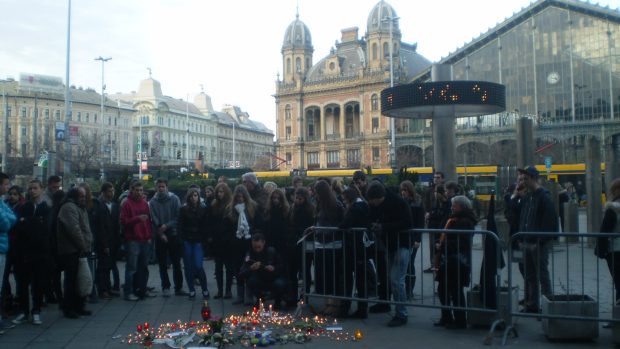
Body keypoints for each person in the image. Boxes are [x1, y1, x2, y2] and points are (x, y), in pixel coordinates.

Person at [511, 166, 558, 313]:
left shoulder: (544, 197)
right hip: (526, 241)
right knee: (530, 275)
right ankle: (532, 304)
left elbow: (550, 222)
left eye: (526, 179)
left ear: (533, 178)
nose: (522, 182)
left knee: (542, 275)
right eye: (522, 179)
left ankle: (548, 305)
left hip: (538, 244)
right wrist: (515, 195)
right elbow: (516, 213)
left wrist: (540, 242)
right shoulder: (527, 196)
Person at [366, 180, 413, 327]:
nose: (372, 203)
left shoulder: (398, 202)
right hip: (392, 244)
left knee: (396, 280)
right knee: (395, 280)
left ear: (379, 197)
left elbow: (407, 222)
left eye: (373, 201)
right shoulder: (383, 203)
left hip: (402, 244)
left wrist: (383, 227)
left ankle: (401, 314)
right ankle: (400, 311)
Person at [12, 180, 51, 325]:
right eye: (30, 188)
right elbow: (19, 227)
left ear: (41, 189)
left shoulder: (45, 208)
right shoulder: (25, 207)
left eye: (35, 188)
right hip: (24, 251)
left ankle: (36, 310)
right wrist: (32, 222)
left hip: (40, 252)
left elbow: (45, 229)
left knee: (38, 283)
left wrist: (28, 222)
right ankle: (24, 310)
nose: (32, 191)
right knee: (22, 283)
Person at [435, 195, 475, 329]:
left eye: (454, 205)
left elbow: (462, 242)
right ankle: (446, 317)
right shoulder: (454, 218)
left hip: (458, 261)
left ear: (461, 207)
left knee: (455, 290)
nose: (452, 207)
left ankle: (459, 320)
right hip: (450, 260)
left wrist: (443, 245)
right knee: (443, 288)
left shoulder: (465, 221)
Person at [56, 187, 93, 318]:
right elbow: (74, 229)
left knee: (80, 279)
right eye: (81, 196)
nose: (84, 198)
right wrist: (83, 245)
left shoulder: (79, 207)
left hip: (79, 249)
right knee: (71, 280)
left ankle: (79, 306)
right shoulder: (69, 207)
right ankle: (69, 308)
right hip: (71, 250)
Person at [313, 180, 345, 316]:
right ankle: (328, 303)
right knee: (325, 276)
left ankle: (334, 304)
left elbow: (340, 223)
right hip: (322, 243)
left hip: (333, 244)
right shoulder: (321, 204)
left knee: (332, 275)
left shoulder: (336, 205)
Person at [338, 187, 370, 319]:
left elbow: (344, 224)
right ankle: (362, 309)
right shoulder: (363, 205)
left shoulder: (355, 207)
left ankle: (347, 308)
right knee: (361, 280)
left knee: (349, 279)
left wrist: (342, 226)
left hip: (354, 247)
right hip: (361, 247)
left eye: (345, 199)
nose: (344, 202)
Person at [149, 178, 185, 297]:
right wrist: (161, 233)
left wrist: (167, 225)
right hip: (160, 236)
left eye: (163, 186)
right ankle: (165, 286)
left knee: (176, 263)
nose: (161, 189)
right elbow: (154, 220)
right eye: (158, 186)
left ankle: (178, 287)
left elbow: (178, 217)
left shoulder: (174, 199)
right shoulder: (152, 202)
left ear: (167, 187)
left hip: (173, 234)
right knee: (162, 264)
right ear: (156, 188)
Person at [227, 184, 262, 305]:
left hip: (249, 241)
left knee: (249, 267)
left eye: (242, 197)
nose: (240, 199)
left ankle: (249, 295)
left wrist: (254, 235)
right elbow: (228, 226)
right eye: (238, 197)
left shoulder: (253, 207)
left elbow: (258, 223)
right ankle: (240, 295)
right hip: (236, 243)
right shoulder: (231, 209)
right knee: (238, 269)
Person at [120, 181, 153, 301]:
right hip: (133, 240)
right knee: (132, 268)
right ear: (131, 190)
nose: (139, 192)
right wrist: (137, 219)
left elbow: (148, 222)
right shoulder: (126, 204)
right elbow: (123, 222)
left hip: (144, 239)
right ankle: (128, 292)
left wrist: (149, 236)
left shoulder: (144, 203)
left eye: (141, 190)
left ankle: (142, 290)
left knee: (144, 267)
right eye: (137, 190)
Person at [239, 233, 287, 310]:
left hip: (273, 278)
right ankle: (260, 298)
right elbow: (241, 273)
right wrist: (251, 268)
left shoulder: (271, 251)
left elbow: (282, 266)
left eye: (259, 247)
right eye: (255, 247)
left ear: (263, 243)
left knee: (280, 284)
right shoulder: (250, 254)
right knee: (251, 281)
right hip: (259, 279)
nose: (257, 249)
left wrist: (274, 268)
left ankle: (278, 301)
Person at [179, 188, 209, 299]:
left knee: (198, 265)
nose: (193, 197)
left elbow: (205, 226)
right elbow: (180, 225)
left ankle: (204, 289)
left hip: (198, 240)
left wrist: (205, 240)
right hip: (187, 239)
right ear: (188, 197)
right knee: (188, 266)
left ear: (198, 196)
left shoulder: (203, 208)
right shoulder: (183, 209)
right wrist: (181, 239)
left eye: (195, 195)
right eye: (192, 195)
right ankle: (191, 290)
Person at [93, 182, 120, 300]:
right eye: (109, 191)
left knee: (109, 266)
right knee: (103, 267)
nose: (111, 193)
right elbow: (100, 227)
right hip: (104, 242)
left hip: (113, 241)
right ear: (103, 192)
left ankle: (108, 288)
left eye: (112, 191)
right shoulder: (99, 205)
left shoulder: (114, 205)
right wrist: (104, 244)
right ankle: (102, 289)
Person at [596, 178, 620, 304]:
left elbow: (604, 230)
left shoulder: (612, 209)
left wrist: (600, 251)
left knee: (618, 282)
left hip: (615, 249)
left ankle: (617, 318)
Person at [289, 187, 315, 305]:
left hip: (305, 241)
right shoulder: (293, 208)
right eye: (297, 198)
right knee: (294, 269)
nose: (298, 200)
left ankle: (305, 294)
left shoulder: (309, 210)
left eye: (300, 198)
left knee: (305, 270)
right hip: (296, 242)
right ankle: (294, 294)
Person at [399, 180, 424, 299]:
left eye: (405, 190)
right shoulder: (402, 201)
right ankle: (405, 289)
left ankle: (410, 290)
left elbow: (420, 222)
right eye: (402, 190)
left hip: (413, 237)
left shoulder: (417, 202)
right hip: (404, 237)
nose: (403, 192)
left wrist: (418, 239)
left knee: (410, 263)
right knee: (404, 263)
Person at [0, 173, 17, 332]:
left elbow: (12, 217)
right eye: (5, 184)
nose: (7, 187)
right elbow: (5, 223)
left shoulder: (2, 202)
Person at [211, 183, 233, 299]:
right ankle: (220, 290)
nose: (220, 194)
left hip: (227, 240)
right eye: (218, 192)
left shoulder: (230, 205)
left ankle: (228, 290)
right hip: (217, 240)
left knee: (229, 267)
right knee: (218, 267)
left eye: (222, 192)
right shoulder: (214, 205)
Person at [424, 171, 446, 273]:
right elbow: (427, 204)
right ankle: (433, 265)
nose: (436, 179)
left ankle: (441, 264)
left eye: (438, 177)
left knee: (441, 244)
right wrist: (427, 213)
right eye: (434, 177)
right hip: (432, 222)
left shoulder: (445, 189)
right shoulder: (430, 190)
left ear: (442, 179)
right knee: (432, 244)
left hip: (442, 221)